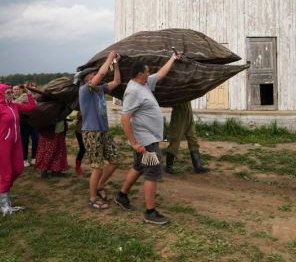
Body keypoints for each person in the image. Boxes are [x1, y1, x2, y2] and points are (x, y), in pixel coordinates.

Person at [115, 52, 181, 225]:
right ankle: (150, 213)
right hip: (146, 142)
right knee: (152, 172)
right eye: (146, 71)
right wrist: (134, 143)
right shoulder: (133, 91)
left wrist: (173, 58)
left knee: (138, 167)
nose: (149, 73)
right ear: (139, 74)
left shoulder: (144, 83)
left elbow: (160, 74)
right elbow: (124, 118)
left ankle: (121, 196)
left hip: (147, 140)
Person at [0, 84, 36, 215]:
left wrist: (29, 93)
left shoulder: (14, 106)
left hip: (15, 143)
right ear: (0, 93)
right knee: (6, 173)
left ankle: (2, 190)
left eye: (11, 92)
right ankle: (4, 205)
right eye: (7, 92)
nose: (10, 94)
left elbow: (31, 107)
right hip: (1, 145)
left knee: (18, 169)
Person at [78, 51, 121, 209]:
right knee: (97, 166)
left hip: (103, 131)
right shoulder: (85, 90)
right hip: (91, 132)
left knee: (115, 159)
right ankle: (92, 198)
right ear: (88, 78)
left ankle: (100, 186)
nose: (98, 75)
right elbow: (103, 72)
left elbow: (116, 81)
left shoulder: (100, 89)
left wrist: (116, 65)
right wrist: (110, 56)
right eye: (95, 74)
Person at [165, 101, 210, 174]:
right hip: (179, 115)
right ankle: (169, 166)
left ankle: (197, 166)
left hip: (189, 114)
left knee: (193, 140)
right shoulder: (175, 90)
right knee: (175, 141)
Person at [13, 84, 39, 168]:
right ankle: (24, 159)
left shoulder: (28, 96)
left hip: (33, 121)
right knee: (24, 141)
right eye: (15, 89)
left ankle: (34, 157)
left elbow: (34, 105)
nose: (17, 90)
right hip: (23, 123)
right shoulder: (14, 100)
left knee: (36, 138)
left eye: (18, 89)